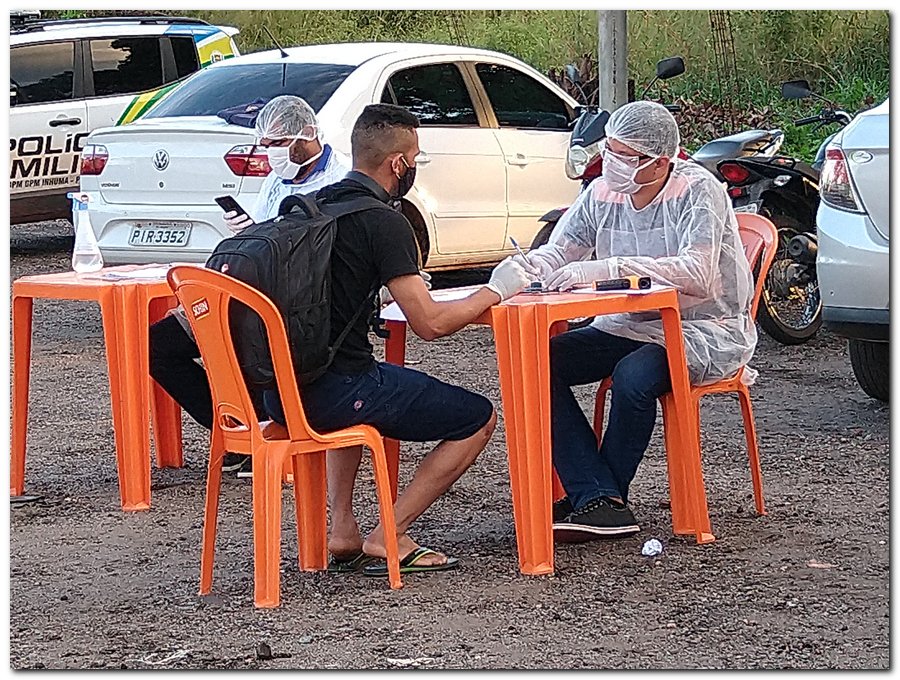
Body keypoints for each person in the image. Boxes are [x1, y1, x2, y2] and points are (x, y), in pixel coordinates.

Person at [261, 103, 531, 574]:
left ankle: (343, 530)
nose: (414, 165)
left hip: (281, 392)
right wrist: (496, 289)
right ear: (399, 164)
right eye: (416, 158)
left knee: (358, 382)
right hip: (336, 393)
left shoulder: (310, 207)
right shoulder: (385, 221)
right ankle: (391, 532)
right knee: (478, 418)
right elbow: (430, 324)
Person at [514, 101, 757, 541]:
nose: (612, 162)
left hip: (706, 328)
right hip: (628, 323)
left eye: (625, 156)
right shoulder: (601, 193)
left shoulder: (698, 191)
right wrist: (520, 271)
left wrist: (613, 266)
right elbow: (563, 248)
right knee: (534, 362)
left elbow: (698, 274)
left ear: (661, 161)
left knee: (633, 376)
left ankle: (600, 498)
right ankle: (599, 496)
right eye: (609, 150)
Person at [149, 95, 350, 474]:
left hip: (301, 299)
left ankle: (263, 433)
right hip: (250, 285)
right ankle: (238, 430)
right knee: (158, 345)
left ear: (307, 134)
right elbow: (265, 234)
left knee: (250, 344)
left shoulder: (340, 180)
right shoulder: (276, 180)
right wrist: (247, 231)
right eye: (266, 144)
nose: (271, 152)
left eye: (278, 143)